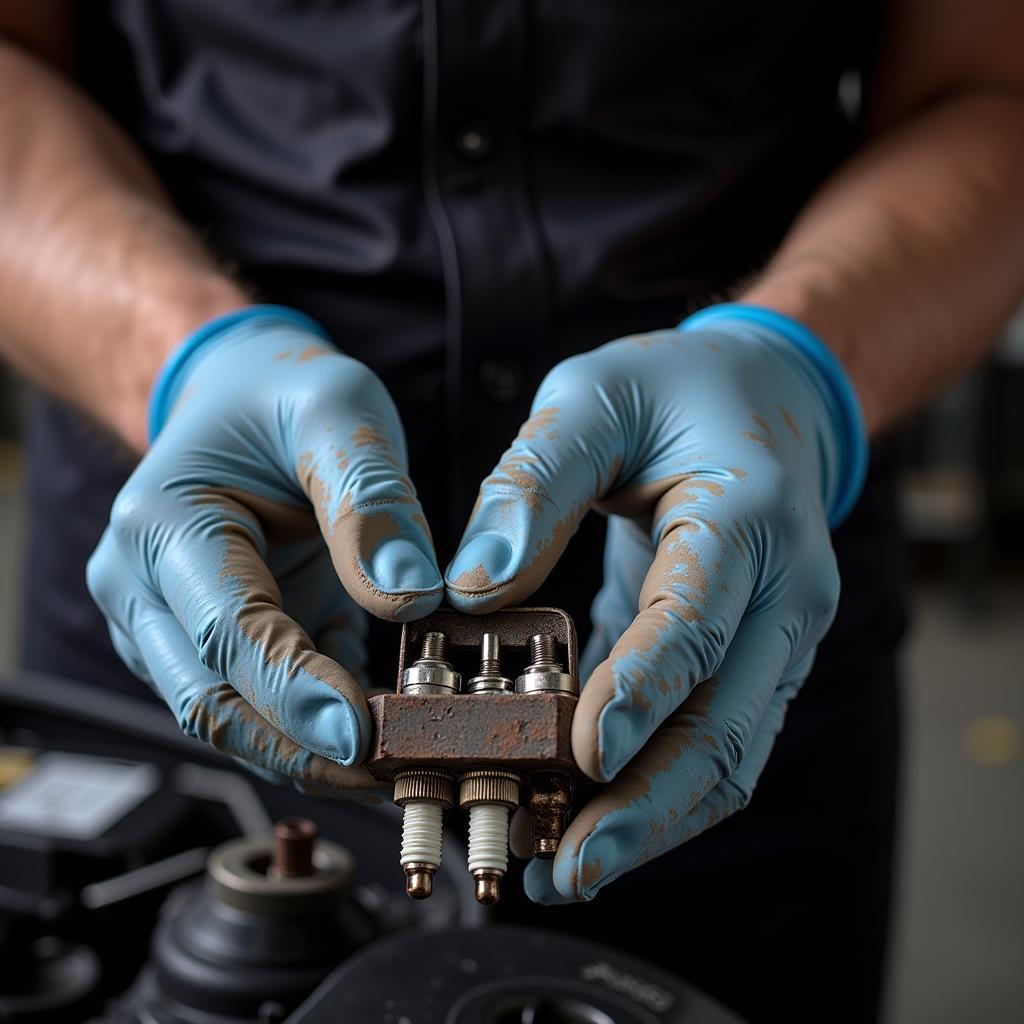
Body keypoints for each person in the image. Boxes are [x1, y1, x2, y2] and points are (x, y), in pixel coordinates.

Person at [1, 3, 1021, 1020]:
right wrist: (171, 353)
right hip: (200, 593)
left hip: (739, 616)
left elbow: (986, 91)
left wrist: (801, 362)